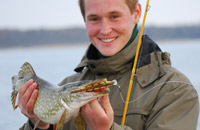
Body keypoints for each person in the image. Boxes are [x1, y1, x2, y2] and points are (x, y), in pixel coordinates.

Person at [19, 0, 199, 129]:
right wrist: (38, 123)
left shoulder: (175, 89)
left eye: (114, 16)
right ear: (85, 20)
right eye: (94, 19)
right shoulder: (68, 84)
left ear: (136, 13)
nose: (105, 30)